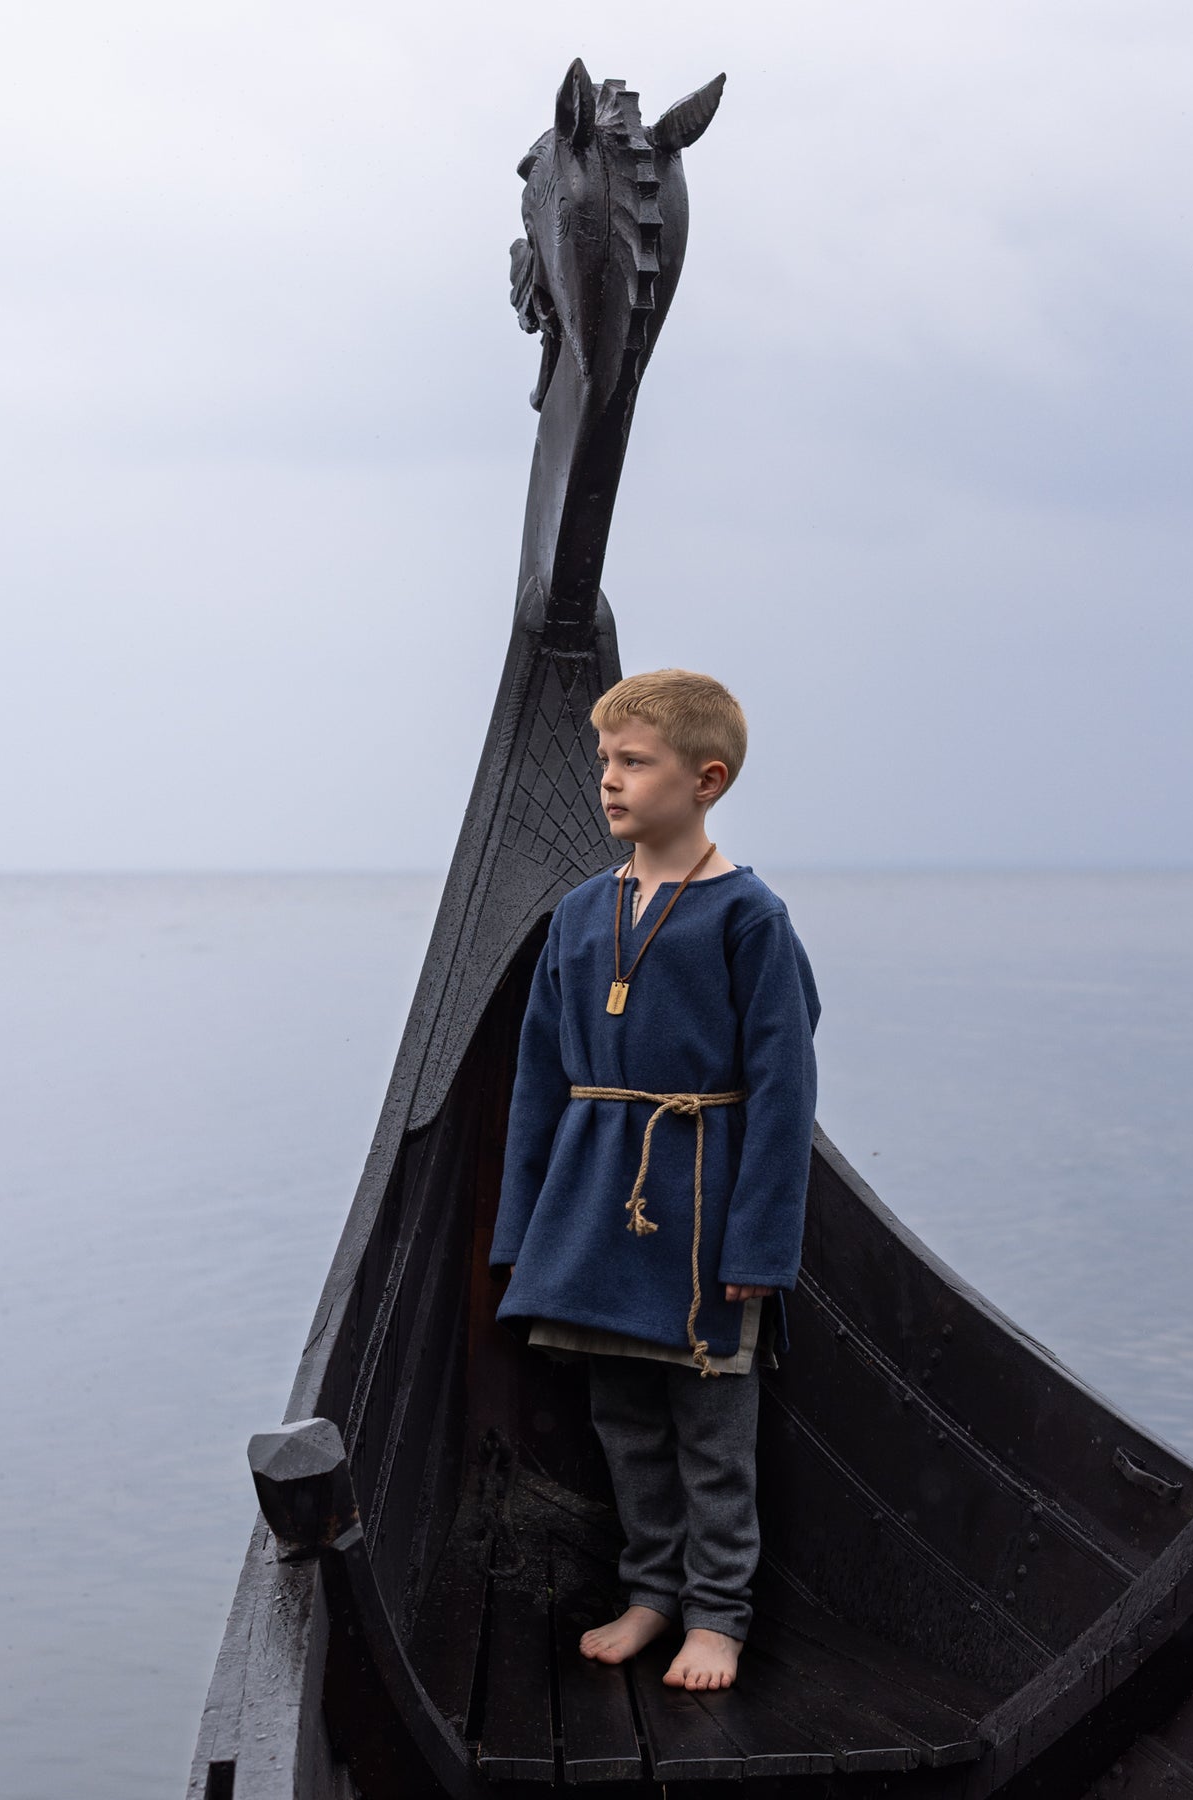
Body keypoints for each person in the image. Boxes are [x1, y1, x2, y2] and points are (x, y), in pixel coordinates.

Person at [489, 667, 821, 1693]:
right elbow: (537, 1081)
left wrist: (761, 1246)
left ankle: (717, 1615)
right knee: (625, 1424)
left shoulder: (749, 917)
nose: (609, 779)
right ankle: (650, 1594)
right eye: (606, 760)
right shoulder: (580, 913)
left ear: (706, 779)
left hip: (702, 1208)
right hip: (596, 1207)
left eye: (635, 761)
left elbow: (784, 1092)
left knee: (714, 1435)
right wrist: (523, 1234)